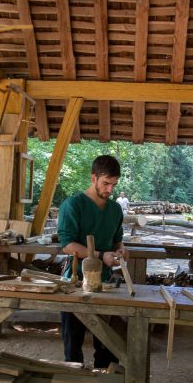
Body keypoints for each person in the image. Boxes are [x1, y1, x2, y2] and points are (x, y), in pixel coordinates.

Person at [57, 155, 129, 368]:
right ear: (93, 177)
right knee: (73, 343)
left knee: (108, 344)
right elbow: (68, 245)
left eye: (113, 185)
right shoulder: (73, 205)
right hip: (74, 282)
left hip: (106, 284)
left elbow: (117, 241)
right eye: (105, 183)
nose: (109, 189)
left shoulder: (115, 209)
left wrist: (122, 251)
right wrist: (100, 255)